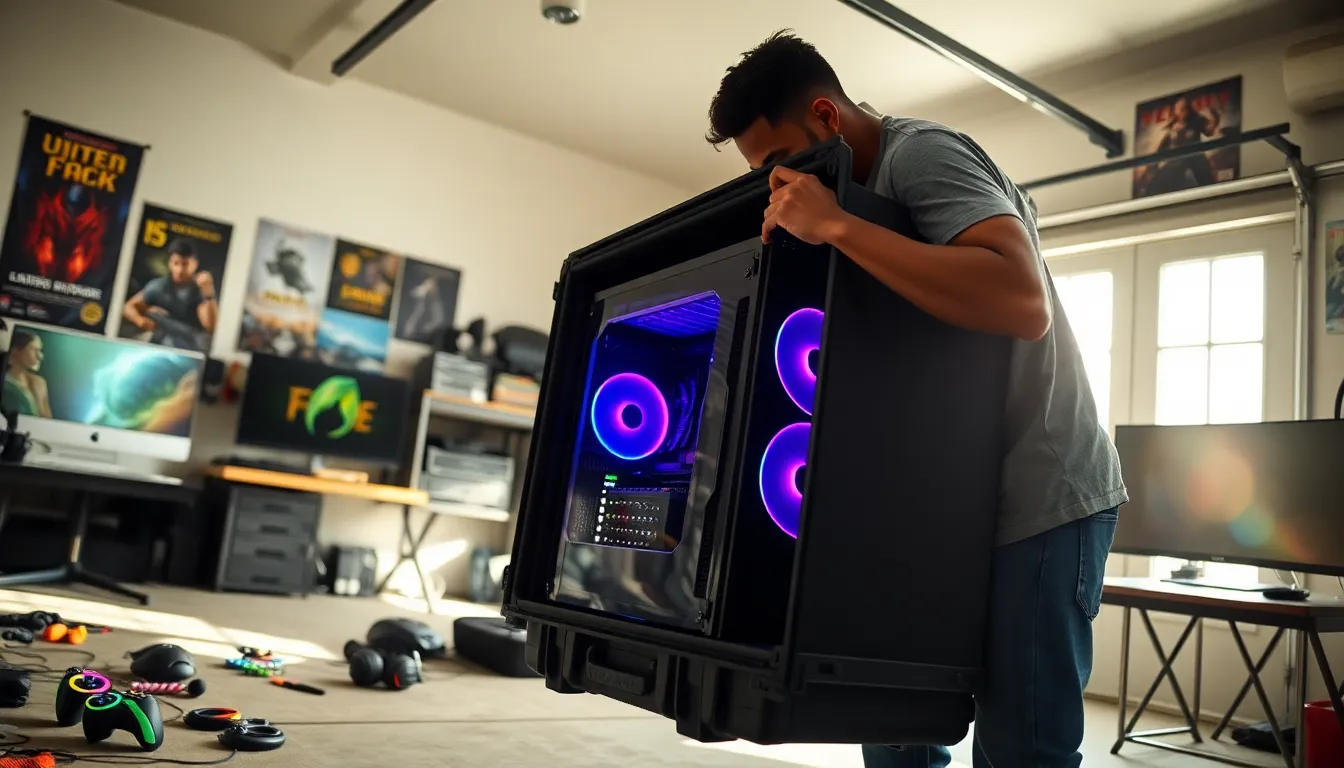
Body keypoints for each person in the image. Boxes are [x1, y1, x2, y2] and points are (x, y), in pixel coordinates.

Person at [705, 31, 1125, 767]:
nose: (779, 185)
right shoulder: (848, 201)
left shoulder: (921, 155)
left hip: (1041, 491)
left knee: (1022, 750)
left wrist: (835, 223)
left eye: (778, 164)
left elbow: (1024, 302)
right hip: (935, 510)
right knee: (894, 727)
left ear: (828, 119)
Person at [123, 239, 218, 351]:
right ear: (170, 263)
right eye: (176, 263)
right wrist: (140, 320)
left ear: (195, 264)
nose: (180, 270)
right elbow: (128, 307)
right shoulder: (159, 286)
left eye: (185, 264)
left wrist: (209, 295)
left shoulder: (200, 289)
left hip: (191, 345)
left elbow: (210, 327)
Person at [3, 330, 52, 418]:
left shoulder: (40, 383)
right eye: (34, 350)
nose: (40, 356)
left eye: (40, 350)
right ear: (16, 351)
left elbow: (48, 420)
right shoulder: (6, 384)